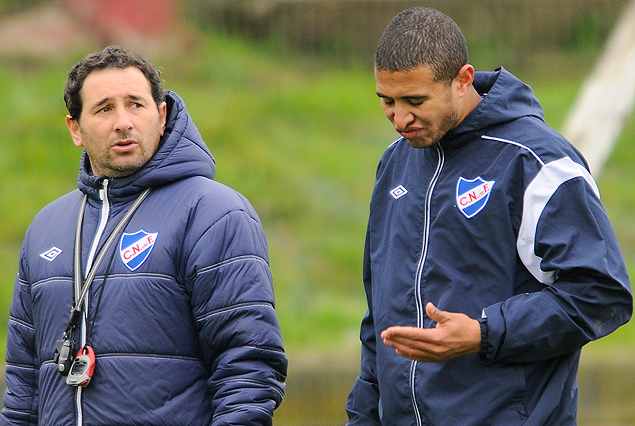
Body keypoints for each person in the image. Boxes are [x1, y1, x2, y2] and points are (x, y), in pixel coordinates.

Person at [345, 7, 633, 426]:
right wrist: (362, 416)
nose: (399, 119)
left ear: (462, 80)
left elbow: (601, 293)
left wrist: (483, 333)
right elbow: (381, 318)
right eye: (387, 101)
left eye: (415, 101)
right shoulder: (394, 163)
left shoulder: (536, 161)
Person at [2, 45, 287, 426]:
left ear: (162, 114)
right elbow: (23, 383)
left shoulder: (214, 213)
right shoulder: (45, 227)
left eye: (136, 104)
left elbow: (248, 367)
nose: (123, 122)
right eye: (104, 108)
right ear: (75, 128)